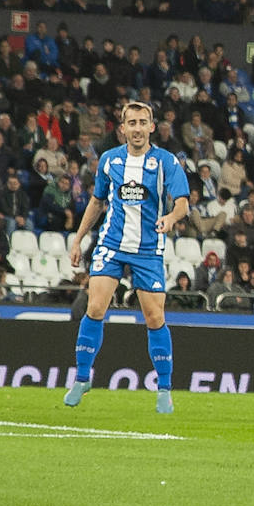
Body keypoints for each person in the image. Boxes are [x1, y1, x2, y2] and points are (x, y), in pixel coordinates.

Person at [64, 102, 190, 414]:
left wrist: (171, 219)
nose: (136, 128)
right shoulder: (109, 160)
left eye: (142, 122)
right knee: (94, 307)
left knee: (155, 317)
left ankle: (164, 388)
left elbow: (183, 203)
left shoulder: (165, 161)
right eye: (130, 122)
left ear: (152, 127)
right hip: (112, 244)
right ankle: (82, 378)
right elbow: (97, 202)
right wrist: (78, 239)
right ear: (122, 128)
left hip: (148, 248)